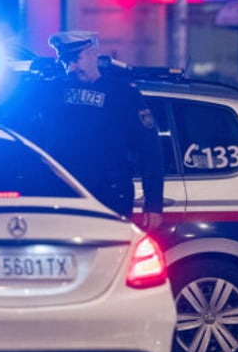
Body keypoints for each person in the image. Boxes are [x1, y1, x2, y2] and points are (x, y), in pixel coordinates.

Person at [41, 31, 164, 228]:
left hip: (111, 195)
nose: (70, 68)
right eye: (64, 61)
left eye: (75, 59)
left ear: (93, 54)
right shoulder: (53, 92)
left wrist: (154, 204)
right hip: (66, 194)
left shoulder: (123, 93)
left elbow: (150, 150)